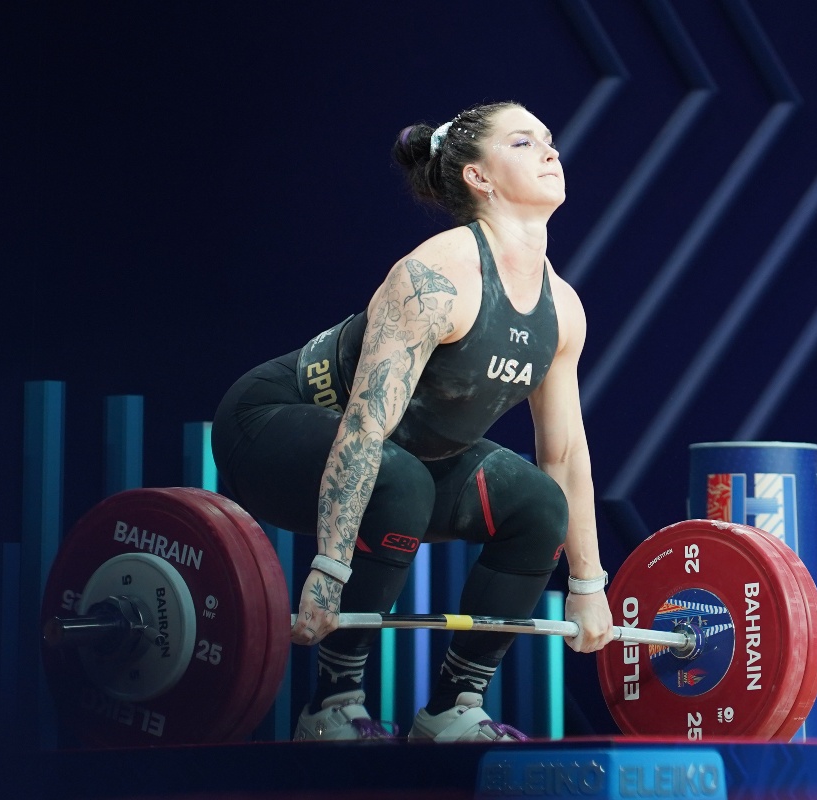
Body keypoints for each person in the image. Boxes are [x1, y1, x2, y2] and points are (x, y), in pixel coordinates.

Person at [211, 100, 614, 742]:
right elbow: (366, 427)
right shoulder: (437, 276)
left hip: (400, 460)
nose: (549, 152)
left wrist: (589, 584)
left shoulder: (563, 309)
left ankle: (454, 708)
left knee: (539, 505)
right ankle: (333, 703)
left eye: (549, 140)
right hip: (270, 427)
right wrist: (330, 570)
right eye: (522, 141)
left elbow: (564, 457)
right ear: (478, 177)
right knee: (400, 482)